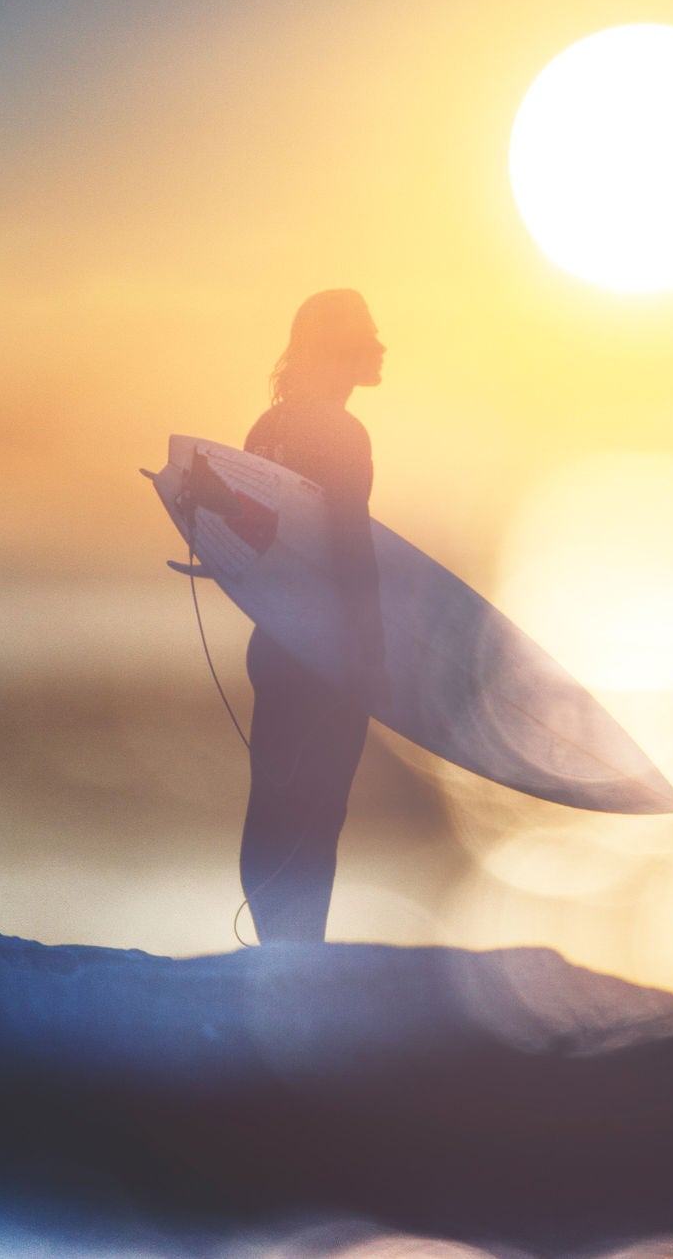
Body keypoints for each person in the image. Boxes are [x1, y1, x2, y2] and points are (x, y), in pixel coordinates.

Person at [238, 289, 388, 943]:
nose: (381, 344)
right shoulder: (346, 433)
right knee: (319, 812)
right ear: (343, 349)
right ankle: (298, 962)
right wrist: (372, 651)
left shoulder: (264, 431)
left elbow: (245, 550)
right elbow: (349, 548)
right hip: (328, 656)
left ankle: (273, 948)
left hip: (272, 647)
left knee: (271, 803)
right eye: (368, 334)